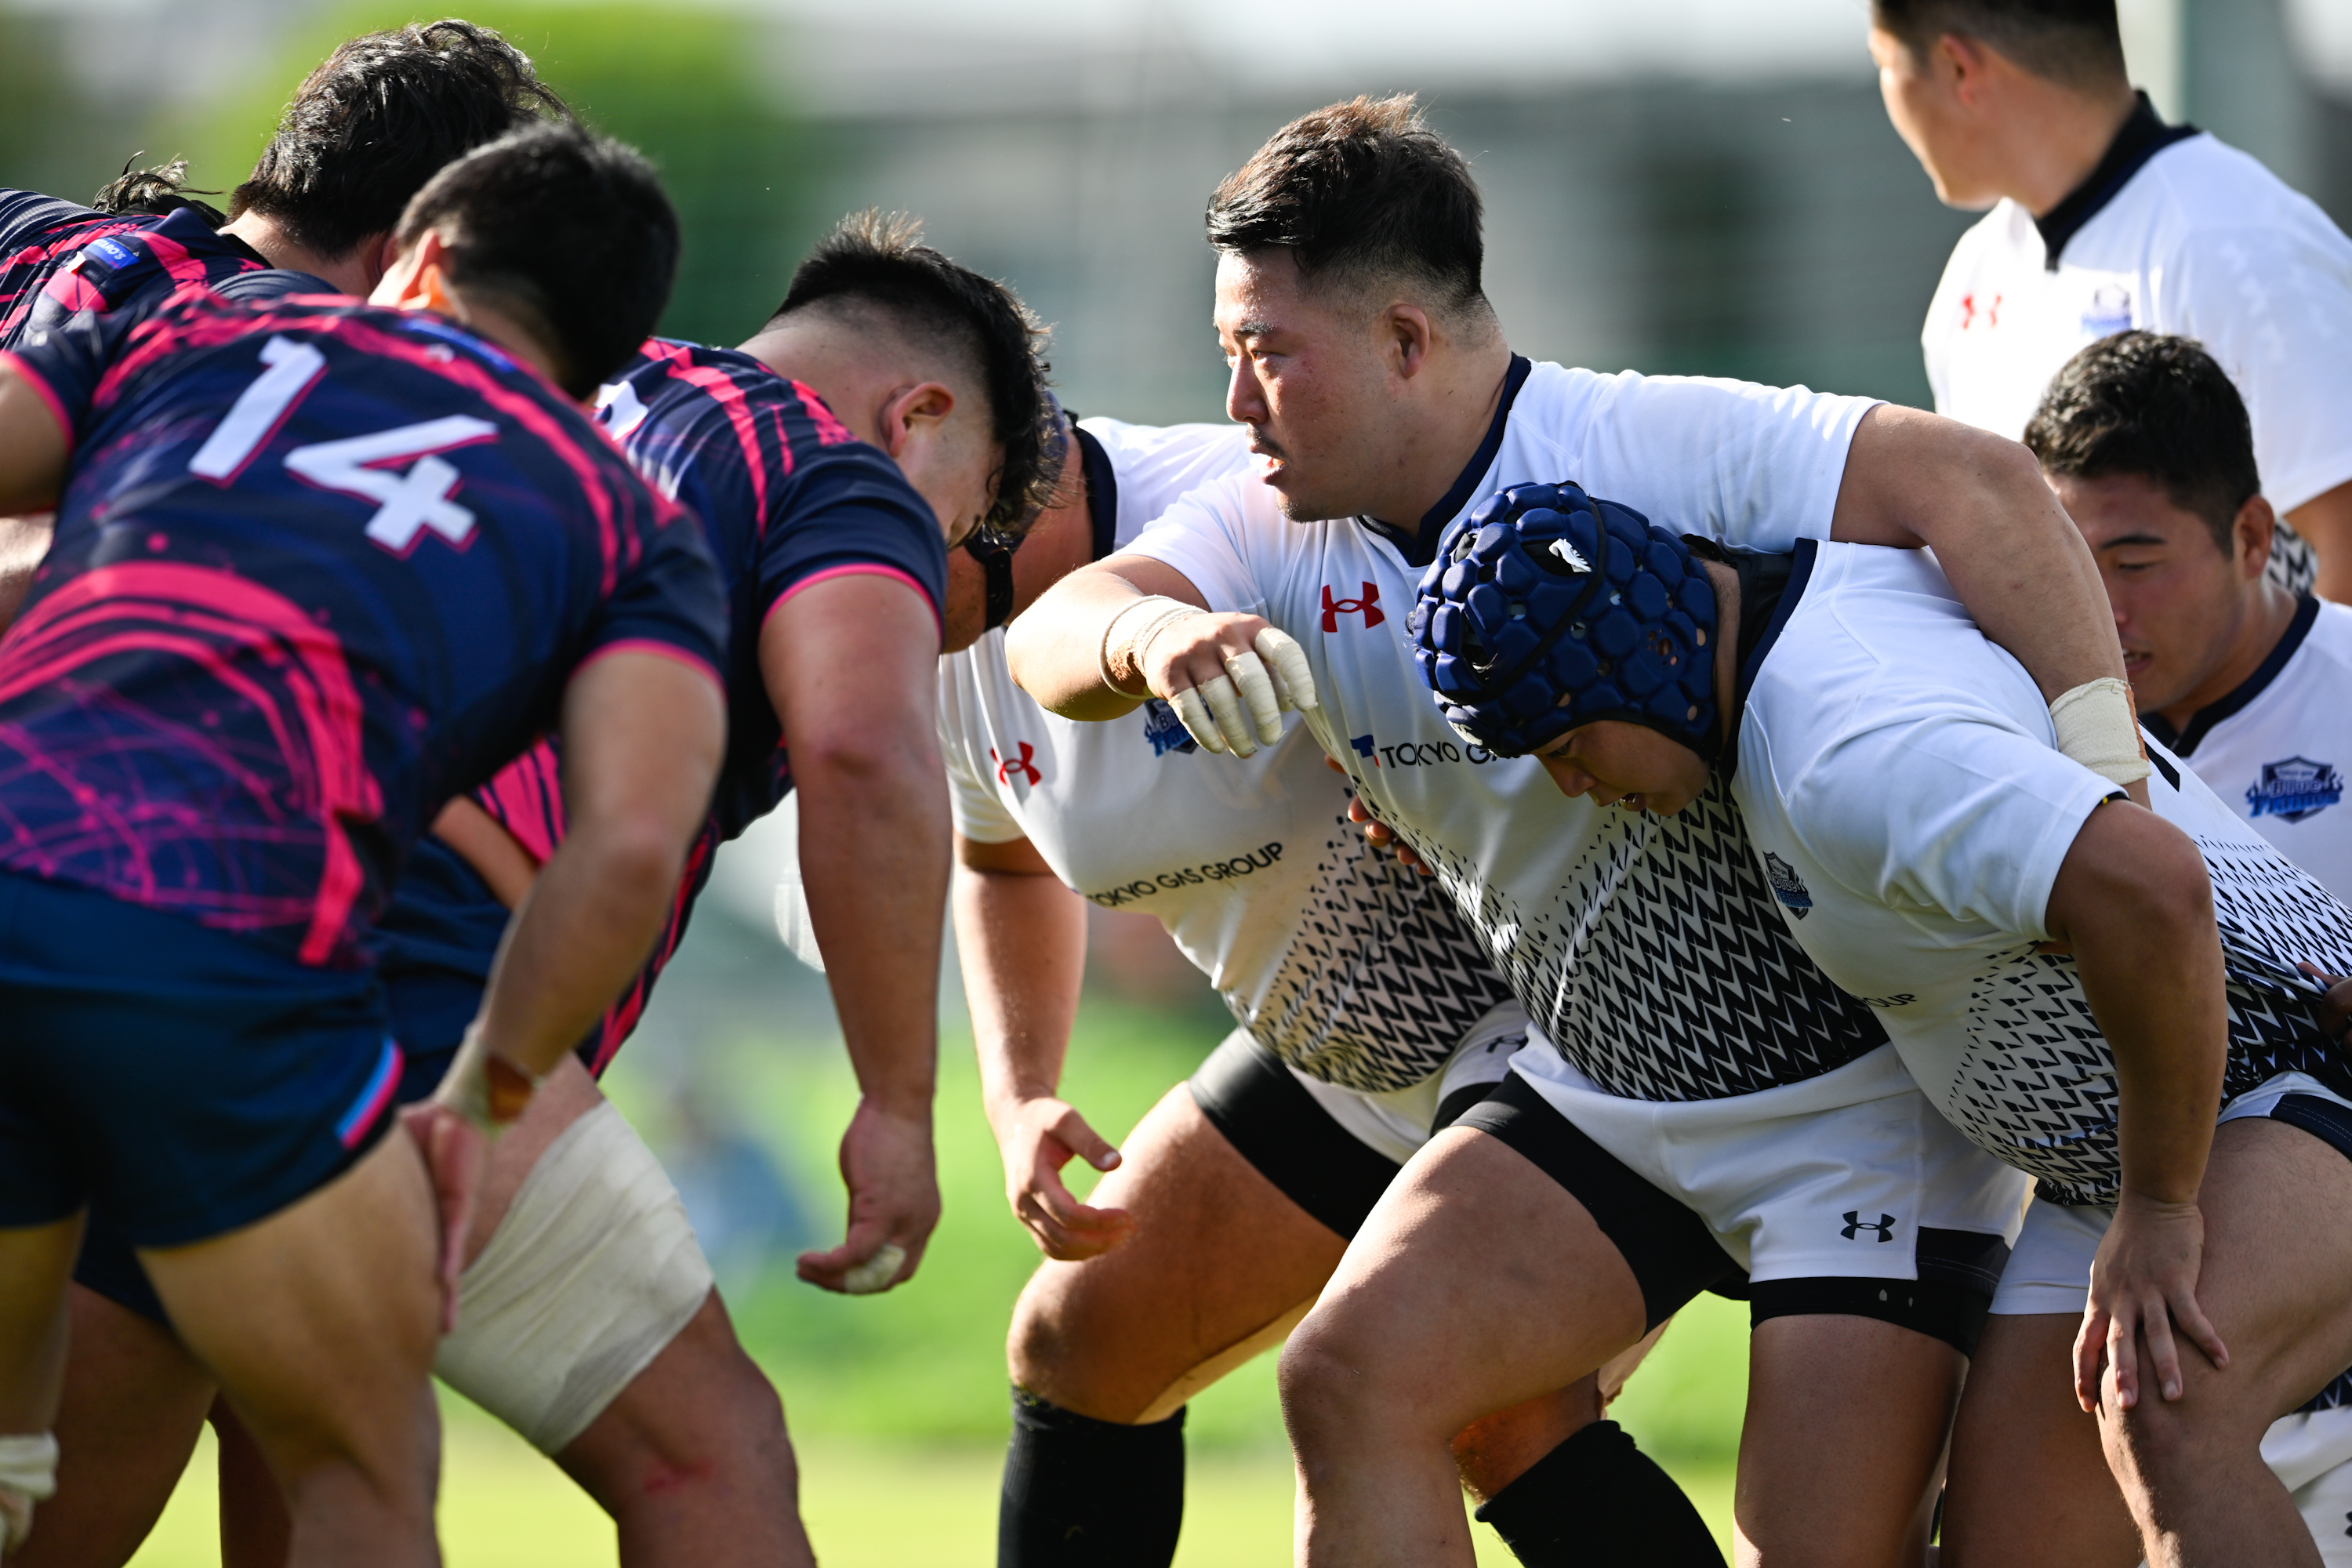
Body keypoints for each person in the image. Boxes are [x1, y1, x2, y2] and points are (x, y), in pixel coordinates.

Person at [1002, 93, 2139, 1566]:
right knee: (1351, 1381)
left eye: (1266, 353)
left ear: (1405, 340)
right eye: (1228, 354)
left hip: (1856, 1118)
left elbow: (1976, 480)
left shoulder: (1636, 441)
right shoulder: (1271, 522)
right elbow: (1060, 632)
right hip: (1603, 1085)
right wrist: (1152, 638)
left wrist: (2104, 782)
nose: (1237, 404)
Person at [31, 212, 1056, 1568]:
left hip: (143, 909)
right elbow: (863, 749)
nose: (940, 578)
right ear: (917, 420)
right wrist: (897, 1103)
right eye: (962, 527)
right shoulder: (827, 465)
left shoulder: (509, 381)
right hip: (408, 978)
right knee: (708, 1458)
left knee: (160, 1484)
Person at [0, 122, 728, 1566]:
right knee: (362, 1464)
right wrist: (485, 1095)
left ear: (422, 260)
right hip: (218, 958)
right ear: (606, 364)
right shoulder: (625, 521)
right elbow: (631, 850)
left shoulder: (187, 324)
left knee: (21, 1458)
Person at [1406, 477, 2352, 1566]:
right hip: (2128, 1163)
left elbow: (2153, 887)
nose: (1571, 785)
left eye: (1571, 744)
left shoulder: (1843, 751)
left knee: (2170, 1418)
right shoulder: (1798, 622)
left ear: (1650, 658)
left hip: (2282, 1083)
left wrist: (2161, 1205)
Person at [934, 407, 1711, 1566]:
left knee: (1467, 1406)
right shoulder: (942, 632)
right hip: (1342, 1054)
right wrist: (1019, 1093)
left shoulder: (1260, 503)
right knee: (1081, 1337)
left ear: (944, 428)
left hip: (1554, 1025)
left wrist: (1433, 777)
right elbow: (1001, 859)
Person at [2023, 330, 2352, 1559]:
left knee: (2166, 1406)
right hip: (2109, 1215)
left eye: (2136, 562)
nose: (2100, 611)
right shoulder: (2028, 730)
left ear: (2254, 537)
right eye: (2067, 564)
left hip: (2294, 1223)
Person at [1870, 0, 2352, 600]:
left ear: (1958, 67)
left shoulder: (2230, 243)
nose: (1884, 96)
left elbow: (2344, 542)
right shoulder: (1974, 271)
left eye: (1884, 62)